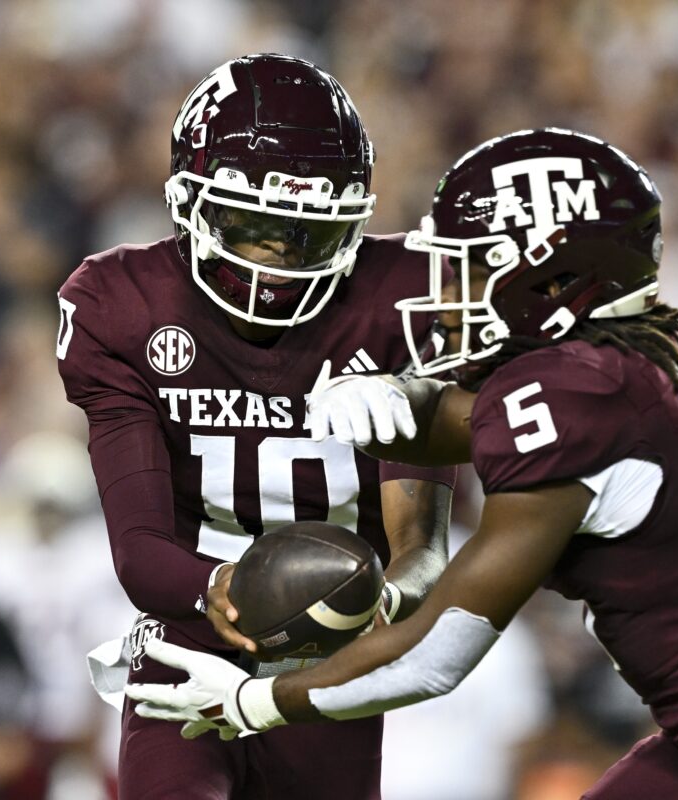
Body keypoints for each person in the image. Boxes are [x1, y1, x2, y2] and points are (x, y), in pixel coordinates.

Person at [123, 128, 678, 799]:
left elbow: (436, 654)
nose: (449, 285)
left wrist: (254, 703)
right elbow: (472, 422)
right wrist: (399, 403)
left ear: (549, 272)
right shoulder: (617, 362)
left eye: (477, 260)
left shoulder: (573, 395)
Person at [56, 53, 455, 799]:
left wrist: (368, 599)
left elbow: (421, 553)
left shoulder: (403, 300)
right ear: (192, 205)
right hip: (190, 626)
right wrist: (223, 587)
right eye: (255, 228)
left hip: (339, 651)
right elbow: (140, 550)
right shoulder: (125, 304)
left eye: (305, 235)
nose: (279, 261)